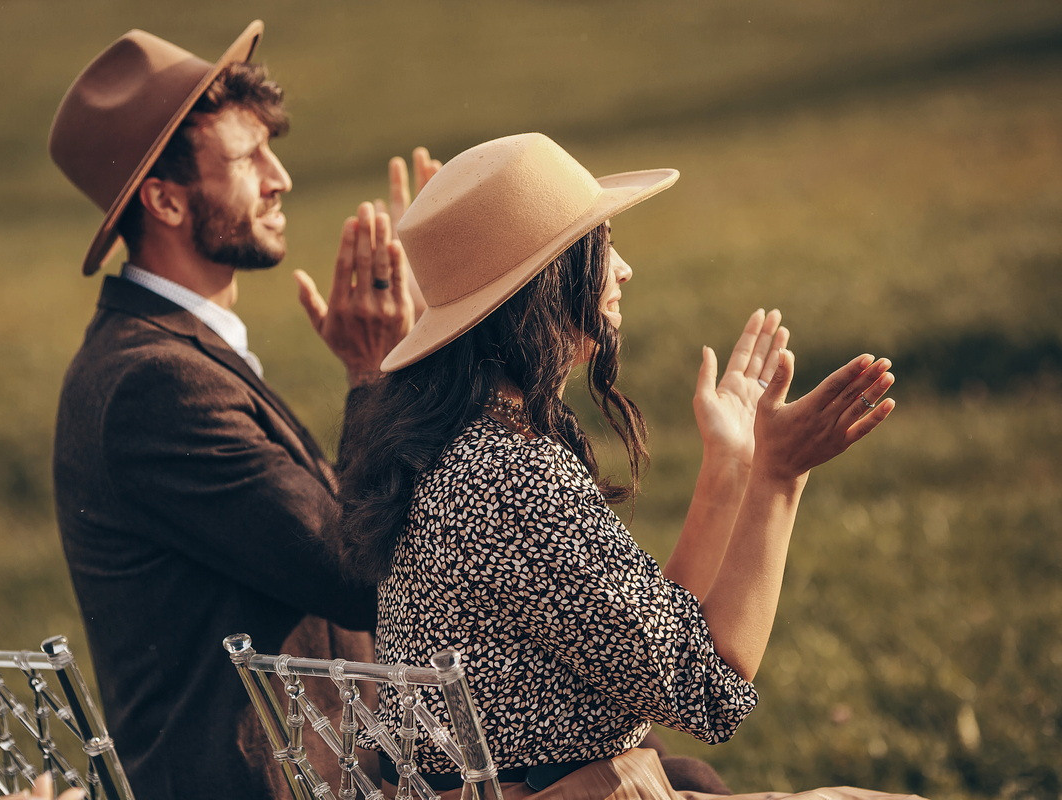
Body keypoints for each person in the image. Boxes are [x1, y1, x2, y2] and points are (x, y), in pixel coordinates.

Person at [339, 133, 923, 799]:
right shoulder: (510, 476)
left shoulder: (450, 446)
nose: (624, 269)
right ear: (549, 280)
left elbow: (643, 650)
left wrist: (730, 466)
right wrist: (780, 478)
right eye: (603, 245)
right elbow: (708, 691)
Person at [47, 21, 426, 800]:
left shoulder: (165, 357)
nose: (281, 177)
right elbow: (358, 574)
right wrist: (374, 373)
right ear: (165, 200)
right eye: (249, 158)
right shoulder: (155, 386)